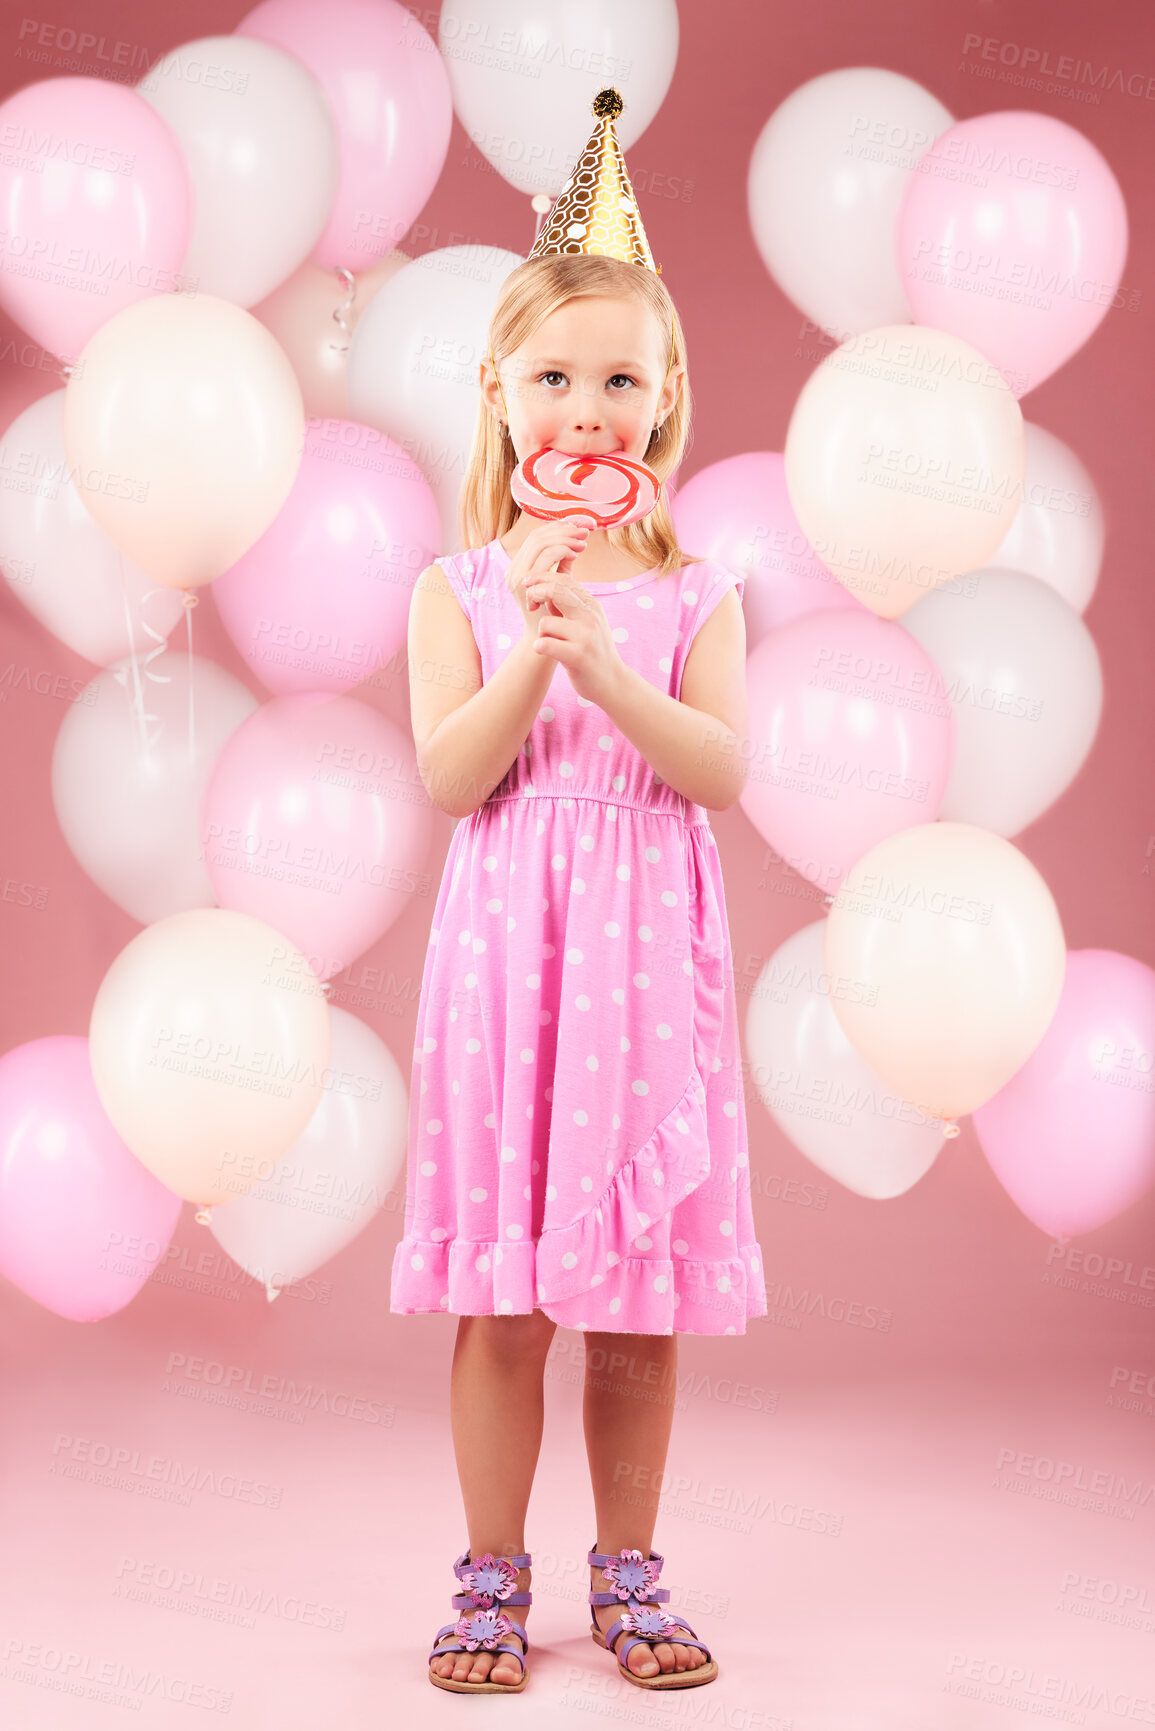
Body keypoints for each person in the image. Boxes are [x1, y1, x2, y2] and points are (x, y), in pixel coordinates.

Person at [390, 89, 768, 1695]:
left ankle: (630, 1577)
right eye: (556, 378)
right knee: (503, 1299)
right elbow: (449, 779)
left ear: (668, 396)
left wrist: (609, 669)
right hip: (508, 970)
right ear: (498, 392)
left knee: (634, 1299)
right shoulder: (456, 589)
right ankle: (490, 1578)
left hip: (647, 974)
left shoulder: (696, 595)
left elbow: (722, 773)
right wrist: (528, 639)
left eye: (622, 379)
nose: (589, 411)